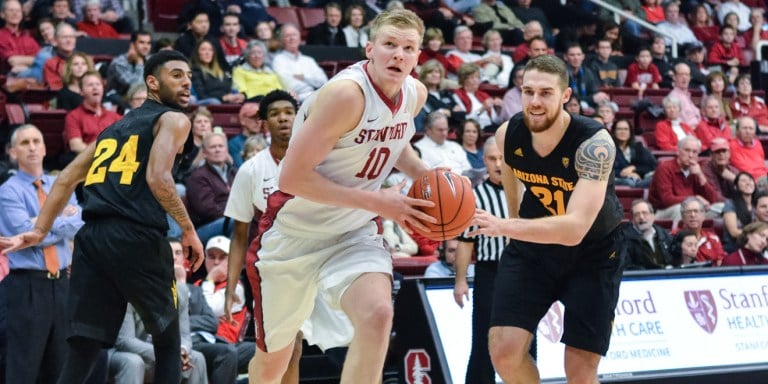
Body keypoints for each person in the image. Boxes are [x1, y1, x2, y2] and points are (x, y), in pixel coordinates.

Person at [237, 9, 436, 384]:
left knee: (377, 316)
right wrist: (380, 202)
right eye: (390, 45)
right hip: (295, 235)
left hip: (353, 232)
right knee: (273, 362)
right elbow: (292, 177)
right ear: (369, 48)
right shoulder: (346, 94)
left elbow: (397, 146)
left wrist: (432, 180)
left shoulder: (414, 93)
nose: (398, 55)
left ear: (418, 56)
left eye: (408, 48)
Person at [0, 50, 205, 384]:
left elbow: (66, 177)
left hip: (92, 240)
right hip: (136, 237)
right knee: (168, 339)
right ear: (152, 82)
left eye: (189, 76)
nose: (186, 82)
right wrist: (188, 230)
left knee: (85, 345)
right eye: (177, 74)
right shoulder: (175, 119)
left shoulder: (114, 130)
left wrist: (39, 230)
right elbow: (158, 177)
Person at [469, 54, 624, 384]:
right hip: (534, 249)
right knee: (504, 351)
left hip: (592, 252)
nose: (534, 102)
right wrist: (514, 227)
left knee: (580, 371)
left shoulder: (594, 143)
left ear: (566, 96)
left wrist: (506, 226)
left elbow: (574, 228)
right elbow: (514, 194)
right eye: (528, 92)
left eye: (545, 93)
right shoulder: (508, 134)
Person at [0, 124, 84, 383]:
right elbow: (25, 234)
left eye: (37, 140)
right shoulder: (7, 191)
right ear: (13, 152)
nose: (33, 147)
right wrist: (59, 215)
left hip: (61, 284)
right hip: (26, 286)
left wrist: (42, 223)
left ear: (46, 148)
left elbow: (79, 224)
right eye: (25, 143)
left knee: (61, 366)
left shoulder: (60, 184)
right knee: (24, 367)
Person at [453, 137, 508, 384]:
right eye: (492, 159)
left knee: (526, 338)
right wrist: (461, 280)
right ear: (484, 161)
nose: (497, 164)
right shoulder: (474, 197)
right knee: (484, 338)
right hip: (490, 272)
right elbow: (465, 242)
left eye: (501, 158)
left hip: (525, 272)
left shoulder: (527, 191)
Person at [648, 135, 720, 220]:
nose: (690, 155)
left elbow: (713, 199)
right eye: (687, 150)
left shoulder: (696, 169)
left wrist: (701, 175)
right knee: (681, 209)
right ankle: (681, 233)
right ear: (678, 151)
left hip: (693, 209)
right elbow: (667, 200)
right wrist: (695, 199)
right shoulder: (665, 168)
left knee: (722, 208)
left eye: (694, 152)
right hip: (663, 211)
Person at [185, 132, 237, 246]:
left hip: (231, 218)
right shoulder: (197, 176)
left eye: (221, 146)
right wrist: (234, 214)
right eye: (213, 147)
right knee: (238, 223)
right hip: (206, 226)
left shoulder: (234, 173)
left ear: (226, 150)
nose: (217, 150)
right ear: (204, 153)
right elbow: (206, 210)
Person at [64, 70, 122, 154]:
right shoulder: (73, 116)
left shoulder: (115, 116)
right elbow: (76, 146)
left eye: (98, 84)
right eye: (90, 85)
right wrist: (101, 155)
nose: (95, 87)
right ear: (81, 91)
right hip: (87, 162)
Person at [619, 199, 675, 269]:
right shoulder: (624, 239)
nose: (641, 217)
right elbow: (626, 267)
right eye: (636, 214)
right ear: (632, 220)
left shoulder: (664, 235)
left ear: (653, 216)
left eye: (644, 213)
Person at [414, 111, 472, 175]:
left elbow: (468, 170)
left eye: (446, 129)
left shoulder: (455, 146)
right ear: (428, 130)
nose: (444, 133)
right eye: (440, 130)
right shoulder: (418, 150)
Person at [191, 40, 243, 106]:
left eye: (210, 50)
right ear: (197, 53)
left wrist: (237, 96)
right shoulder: (195, 71)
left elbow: (228, 90)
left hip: (225, 103)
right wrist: (223, 98)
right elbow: (201, 96)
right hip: (207, 105)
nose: (207, 53)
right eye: (203, 49)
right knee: (214, 102)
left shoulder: (221, 71)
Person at [676, 196, 725, 265]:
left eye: (696, 211)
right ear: (682, 217)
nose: (692, 215)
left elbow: (720, 264)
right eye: (688, 212)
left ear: (703, 216)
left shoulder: (713, 239)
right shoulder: (673, 237)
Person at [611, 119, 656, 188]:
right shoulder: (609, 148)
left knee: (654, 179)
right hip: (619, 180)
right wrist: (625, 174)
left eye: (626, 129)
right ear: (614, 131)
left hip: (639, 179)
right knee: (629, 182)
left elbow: (650, 166)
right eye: (619, 129)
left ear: (630, 132)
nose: (623, 132)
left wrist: (634, 169)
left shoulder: (638, 147)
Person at [721, 172, 756, 253]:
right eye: (743, 181)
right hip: (734, 247)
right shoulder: (730, 203)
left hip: (757, 246)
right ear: (736, 187)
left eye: (750, 180)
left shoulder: (758, 203)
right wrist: (756, 235)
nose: (748, 183)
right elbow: (734, 232)